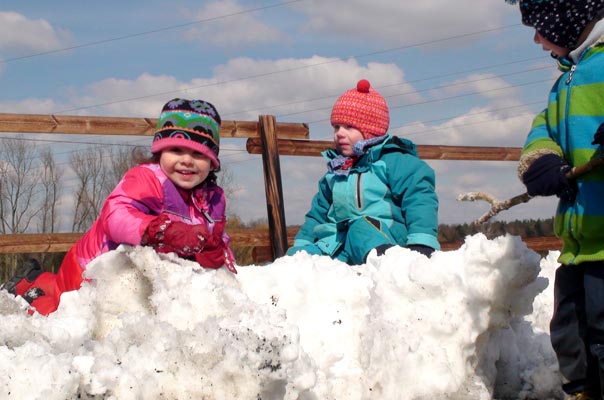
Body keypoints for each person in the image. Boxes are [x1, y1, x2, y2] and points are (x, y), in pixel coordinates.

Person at [2, 98, 237, 316]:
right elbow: (116, 215)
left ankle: (38, 278)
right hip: (92, 270)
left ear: (212, 161)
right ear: (160, 151)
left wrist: (217, 254)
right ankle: (27, 292)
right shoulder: (147, 179)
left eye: (198, 153)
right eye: (176, 150)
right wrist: (157, 230)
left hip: (136, 280)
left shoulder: (213, 198)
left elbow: (219, 239)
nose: (187, 160)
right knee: (62, 315)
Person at [509, 0, 604, 398]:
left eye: (538, 25)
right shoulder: (564, 83)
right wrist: (542, 158)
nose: (534, 37)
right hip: (578, 243)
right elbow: (543, 128)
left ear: (568, 18)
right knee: (570, 330)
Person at [287, 79, 440, 265]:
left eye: (349, 127)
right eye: (336, 127)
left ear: (370, 131)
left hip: (386, 239)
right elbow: (317, 214)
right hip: (340, 244)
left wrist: (421, 242)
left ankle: (387, 264)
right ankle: (268, 278)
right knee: (305, 256)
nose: (339, 133)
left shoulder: (394, 162)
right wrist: (301, 247)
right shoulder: (335, 173)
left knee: (359, 226)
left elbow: (419, 199)